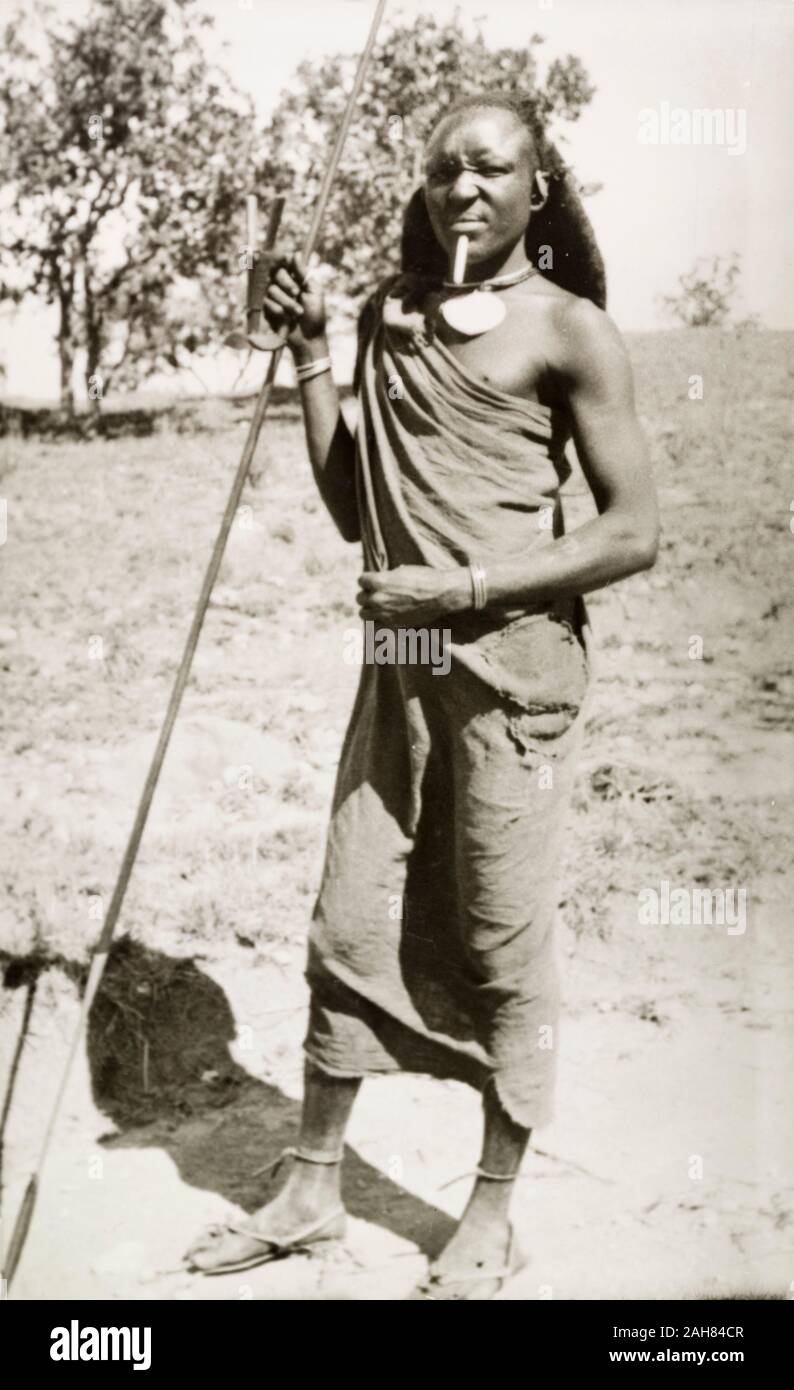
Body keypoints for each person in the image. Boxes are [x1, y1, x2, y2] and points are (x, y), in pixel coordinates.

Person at [185, 91, 659, 1299]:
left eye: (491, 169)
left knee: (499, 936)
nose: (463, 188)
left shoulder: (570, 332)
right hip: (395, 675)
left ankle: (492, 1209)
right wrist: (308, 355)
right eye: (443, 168)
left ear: (534, 190)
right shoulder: (390, 316)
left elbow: (631, 534)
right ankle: (307, 1186)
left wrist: (461, 589)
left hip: (513, 681)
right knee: (348, 919)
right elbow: (355, 509)